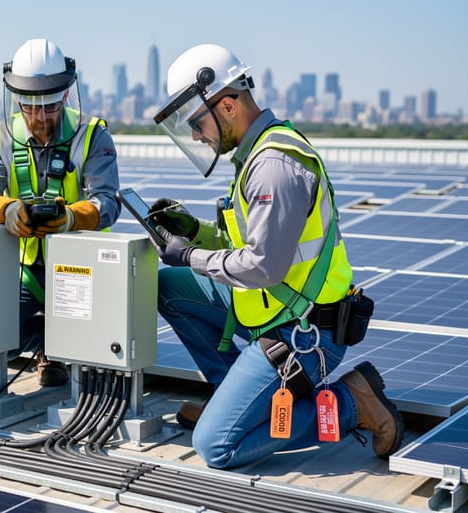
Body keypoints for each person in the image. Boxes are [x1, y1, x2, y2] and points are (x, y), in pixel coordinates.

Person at [149, 44, 403, 469]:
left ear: (226, 105)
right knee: (168, 287)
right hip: (273, 307)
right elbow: (247, 245)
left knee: (217, 447)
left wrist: (189, 255)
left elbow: (262, 266)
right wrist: (192, 231)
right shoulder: (256, 152)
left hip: (303, 329)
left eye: (196, 122)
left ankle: (353, 403)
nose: (195, 135)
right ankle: (235, 398)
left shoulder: (273, 164)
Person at [0, 39, 120, 387]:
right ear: (17, 99)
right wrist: (6, 210)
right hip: (24, 272)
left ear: (66, 96)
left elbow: (107, 203)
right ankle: (49, 341)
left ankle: (59, 348)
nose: (39, 117)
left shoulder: (93, 135)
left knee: (93, 345)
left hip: (80, 269)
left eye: (49, 107)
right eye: (30, 107)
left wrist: (70, 219)